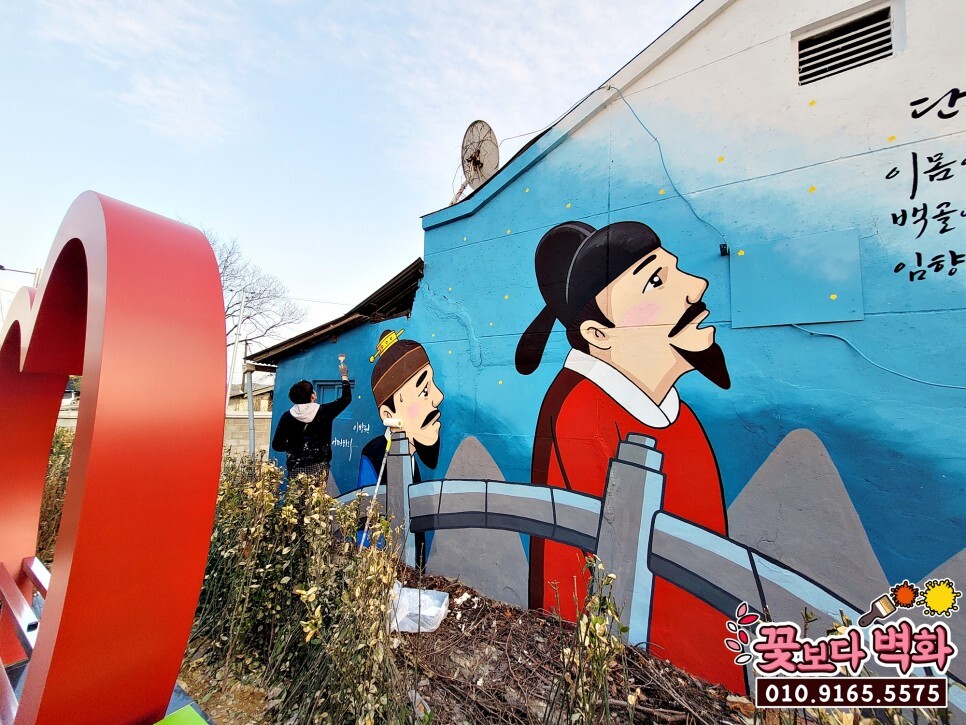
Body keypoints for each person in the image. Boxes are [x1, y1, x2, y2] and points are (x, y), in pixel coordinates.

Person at [515, 220, 743, 693]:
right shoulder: (580, 411)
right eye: (656, 280)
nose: (697, 286)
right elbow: (574, 584)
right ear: (598, 334)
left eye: (675, 270)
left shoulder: (680, 419)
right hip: (626, 681)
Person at [271, 358, 352, 482]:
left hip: (295, 468)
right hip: (319, 467)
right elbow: (346, 398)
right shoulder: (324, 411)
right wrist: (344, 376)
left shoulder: (287, 416)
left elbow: (277, 445)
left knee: (296, 495)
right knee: (317, 495)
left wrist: (294, 447)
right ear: (312, 396)